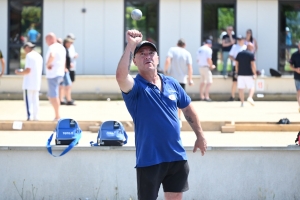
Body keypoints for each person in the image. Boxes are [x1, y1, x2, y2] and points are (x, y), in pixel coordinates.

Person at [116, 30, 207, 200]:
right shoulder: (135, 86)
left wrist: (200, 135)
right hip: (149, 159)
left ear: (158, 58)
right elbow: (120, 76)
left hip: (176, 156)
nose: (147, 56)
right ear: (134, 61)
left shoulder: (171, 83)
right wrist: (130, 46)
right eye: (141, 54)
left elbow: (187, 109)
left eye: (151, 53)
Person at [164, 39, 193, 126]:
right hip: (182, 79)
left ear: (177, 44)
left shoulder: (172, 50)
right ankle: (178, 118)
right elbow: (189, 67)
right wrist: (190, 79)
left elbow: (168, 60)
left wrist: (165, 70)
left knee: (170, 98)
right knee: (179, 100)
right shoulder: (187, 53)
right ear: (185, 45)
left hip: (172, 79)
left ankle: (171, 116)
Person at [15, 42, 43, 121]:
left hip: (29, 83)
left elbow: (28, 70)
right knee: (35, 100)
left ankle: (29, 116)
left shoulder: (29, 56)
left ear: (27, 47)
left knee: (28, 100)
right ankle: (36, 116)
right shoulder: (39, 56)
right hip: (37, 82)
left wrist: (19, 72)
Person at [45, 32, 66, 120]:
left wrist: (47, 64)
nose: (46, 42)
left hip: (53, 74)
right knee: (54, 94)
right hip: (60, 73)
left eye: (46, 40)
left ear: (50, 39)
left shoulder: (52, 47)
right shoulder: (61, 47)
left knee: (53, 95)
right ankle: (57, 114)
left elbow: (52, 56)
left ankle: (57, 116)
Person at [235, 43, 257, 107]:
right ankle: (250, 97)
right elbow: (253, 65)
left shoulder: (239, 53)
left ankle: (242, 103)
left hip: (240, 74)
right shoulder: (251, 54)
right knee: (251, 87)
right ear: (250, 47)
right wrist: (254, 73)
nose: (253, 48)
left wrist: (237, 72)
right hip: (249, 74)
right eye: (252, 47)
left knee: (241, 89)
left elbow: (236, 64)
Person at [229, 35, 247, 101]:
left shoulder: (246, 47)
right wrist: (236, 60)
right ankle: (232, 96)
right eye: (238, 39)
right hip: (235, 66)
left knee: (242, 82)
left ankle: (241, 97)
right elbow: (230, 56)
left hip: (243, 67)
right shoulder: (234, 47)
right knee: (235, 81)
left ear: (243, 40)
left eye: (241, 39)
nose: (239, 41)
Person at [60, 38, 75, 105]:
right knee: (68, 85)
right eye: (70, 43)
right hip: (64, 71)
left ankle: (61, 99)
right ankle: (68, 100)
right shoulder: (64, 50)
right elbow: (63, 59)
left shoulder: (65, 50)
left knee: (62, 85)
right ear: (66, 43)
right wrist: (65, 68)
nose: (71, 45)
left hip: (64, 70)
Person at [289, 41, 300, 113]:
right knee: (299, 91)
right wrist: (296, 69)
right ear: (298, 46)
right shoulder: (294, 55)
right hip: (297, 76)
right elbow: (290, 66)